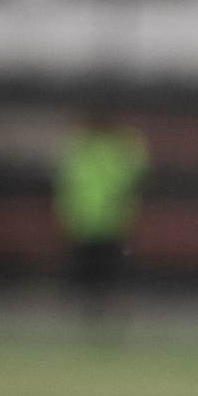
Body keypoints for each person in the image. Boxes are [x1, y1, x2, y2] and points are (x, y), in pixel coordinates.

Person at [55, 111, 148, 322]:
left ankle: (109, 316)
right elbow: (66, 184)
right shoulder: (79, 145)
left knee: (110, 272)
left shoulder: (122, 145)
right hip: (83, 222)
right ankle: (89, 317)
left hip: (112, 223)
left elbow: (133, 180)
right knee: (86, 272)